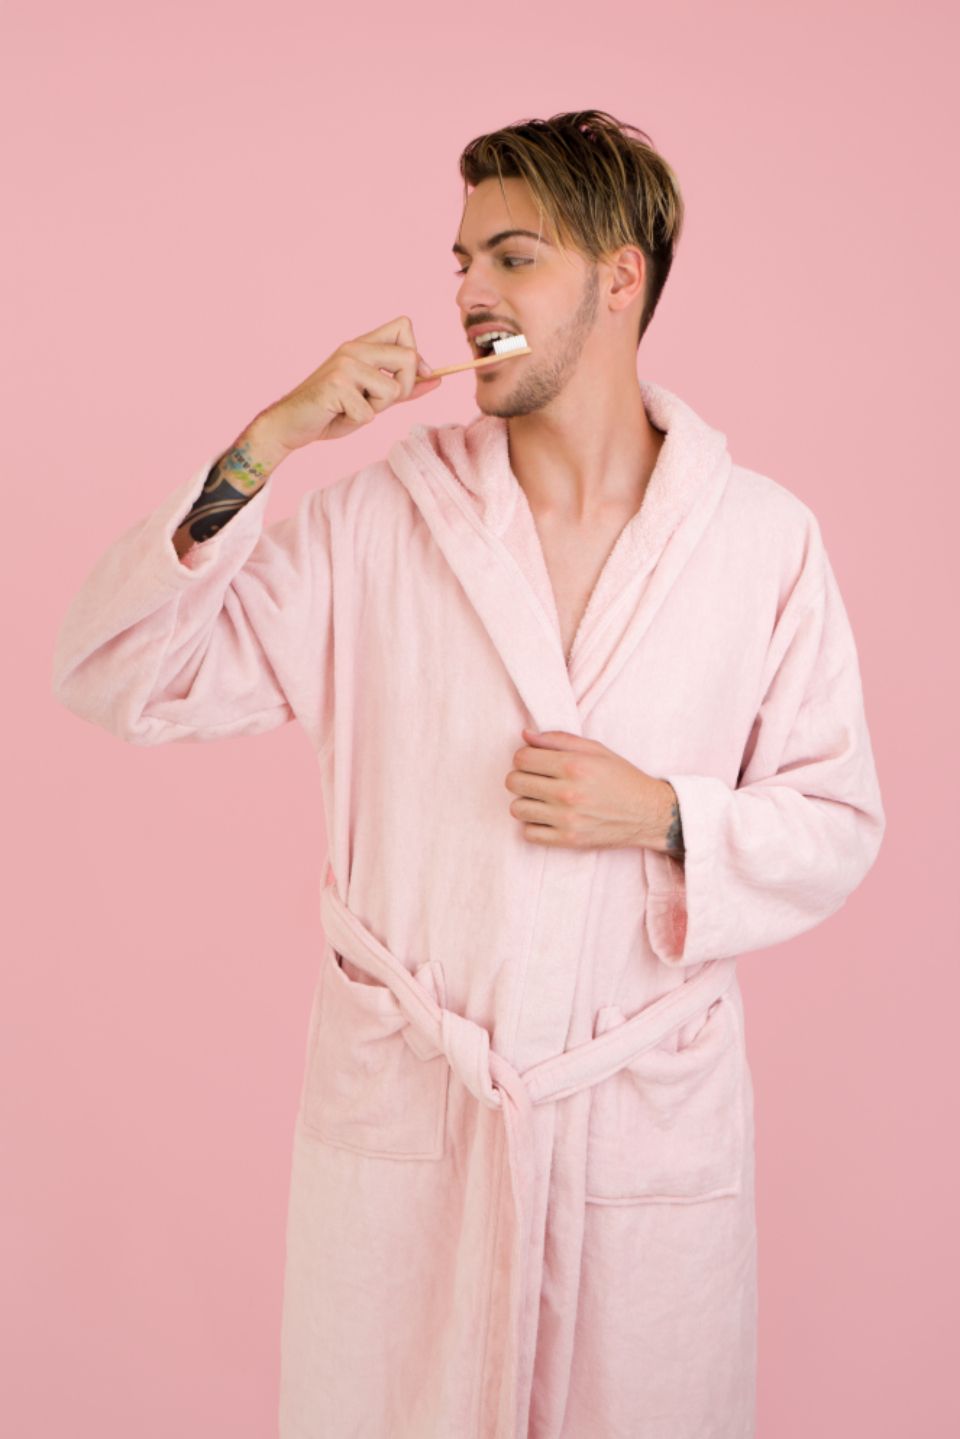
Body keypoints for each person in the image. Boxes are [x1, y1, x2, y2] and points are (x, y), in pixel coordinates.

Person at [51, 110, 886, 1439]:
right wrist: (273, 438)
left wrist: (666, 816)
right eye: (460, 262)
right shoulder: (379, 521)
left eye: (514, 257)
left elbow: (839, 821)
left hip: (635, 1138)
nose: (469, 293)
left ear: (621, 279)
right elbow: (117, 674)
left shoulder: (761, 543)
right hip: (415, 1130)